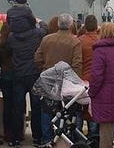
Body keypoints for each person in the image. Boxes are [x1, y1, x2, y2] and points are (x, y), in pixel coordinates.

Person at [4, 0, 46, 148]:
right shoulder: (36, 34)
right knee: (36, 107)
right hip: (34, 74)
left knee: (17, 107)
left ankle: (15, 139)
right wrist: (40, 23)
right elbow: (43, 28)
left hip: (18, 74)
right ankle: (37, 138)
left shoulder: (11, 38)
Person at [34, 14, 83, 144]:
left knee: (47, 111)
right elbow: (77, 65)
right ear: (71, 25)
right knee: (69, 113)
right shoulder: (75, 41)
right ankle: (68, 140)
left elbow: (37, 59)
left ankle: (47, 140)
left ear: (58, 24)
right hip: (67, 84)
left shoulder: (46, 39)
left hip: (49, 82)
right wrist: (74, 83)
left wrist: (46, 71)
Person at [78, 15, 100, 136]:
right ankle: (93, 136)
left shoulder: (79, 41)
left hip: (82, 80)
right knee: (94, 111)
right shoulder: (101, 40)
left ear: (85, 26)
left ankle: (78, 135)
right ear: (96, 26)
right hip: (97, 81)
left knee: (79, 110)